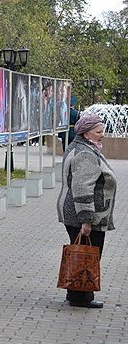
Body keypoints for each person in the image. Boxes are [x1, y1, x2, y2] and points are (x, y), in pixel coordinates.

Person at [56, 113, 117, 308]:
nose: (102, 135)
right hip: (84, 214)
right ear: (86, 132)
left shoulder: (80, 147)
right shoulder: (85, 154)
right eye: (99, 132)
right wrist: (87, 220)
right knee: (89, 255)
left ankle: (75, 293)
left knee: (80, 253)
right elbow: (83, 188)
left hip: (76, 212)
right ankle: (81, 298)